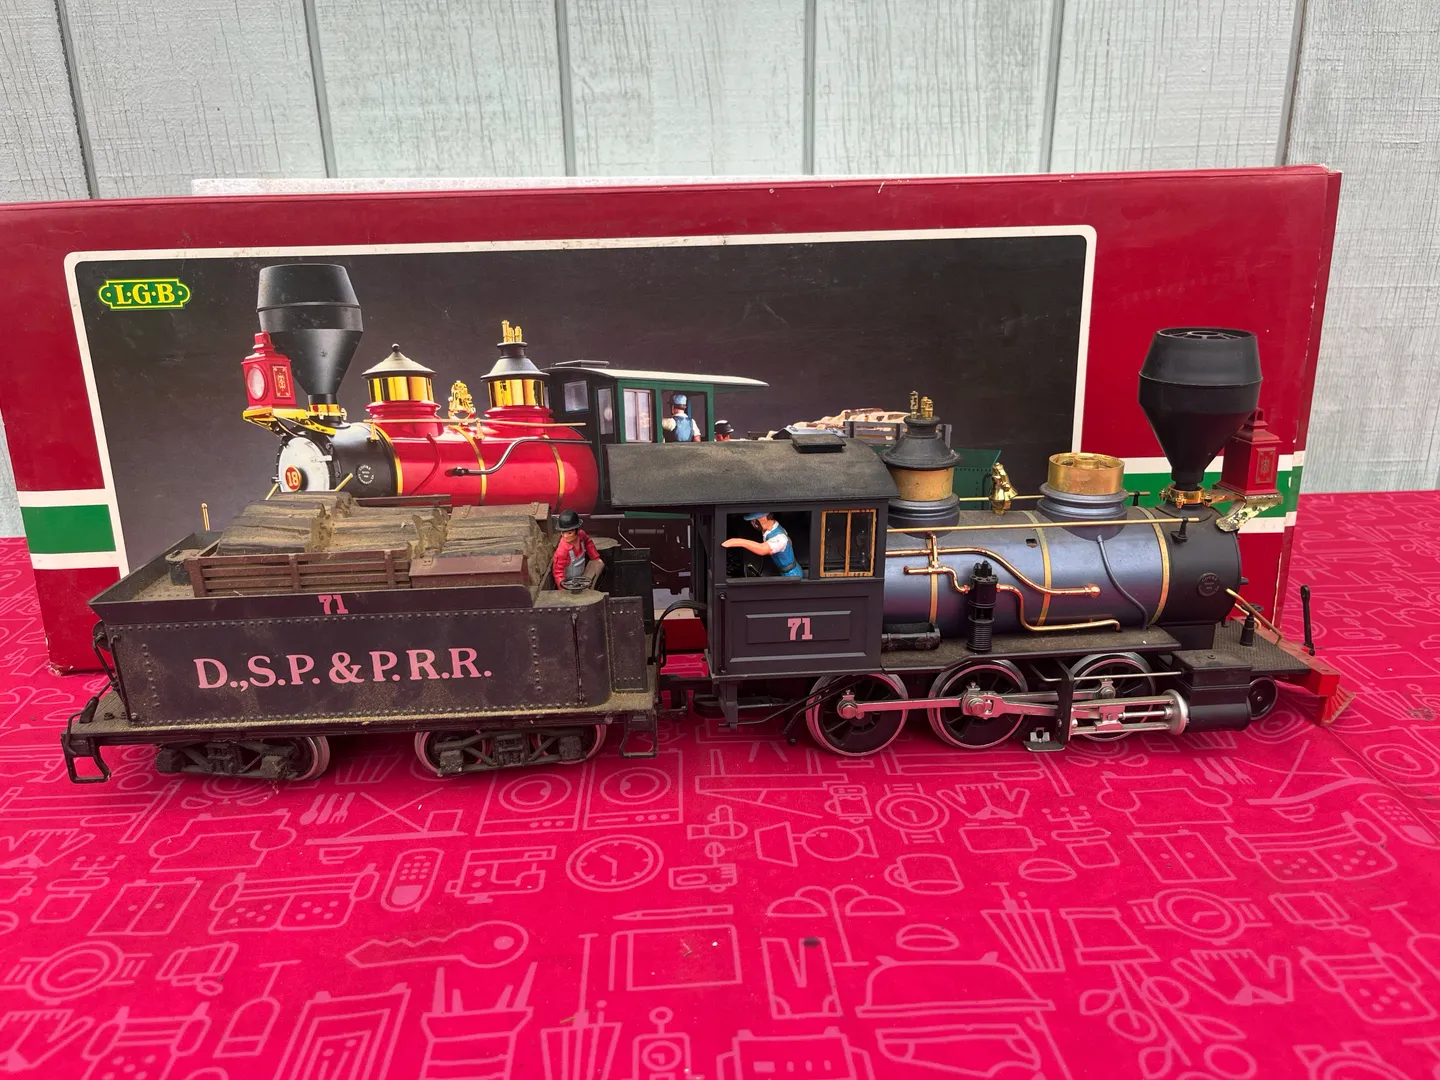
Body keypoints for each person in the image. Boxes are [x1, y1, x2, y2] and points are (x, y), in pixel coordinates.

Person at [722, 512, 803, 578]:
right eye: (752, 521)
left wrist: (737, 541)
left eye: (755, 520)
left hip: (792, 574)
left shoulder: (779, 538)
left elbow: (762, 549)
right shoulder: (772, 528)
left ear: (766, 517)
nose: (752, 523)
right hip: (783, 571)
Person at [552, 509, 601, 589]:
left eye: (569, 533)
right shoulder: (562, 551)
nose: (565, 536)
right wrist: (563, 588)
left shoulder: (581, 536)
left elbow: (588, 543)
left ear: (577, 530)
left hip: (583, 577)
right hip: (569, 584)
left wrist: (595, 557)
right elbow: (558, 572)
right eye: (563, 532)